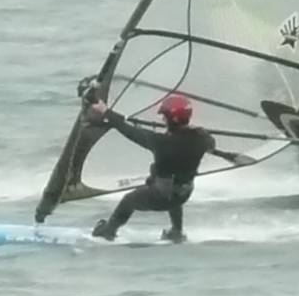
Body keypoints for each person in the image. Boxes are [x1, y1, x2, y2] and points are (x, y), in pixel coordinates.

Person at [82, 92, 225, 242]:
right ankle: (177, 231)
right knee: (175, 186)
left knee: (129, 200)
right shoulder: (202, 138)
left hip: (161, 197)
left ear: (171, 119)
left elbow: (128, 131)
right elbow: (210, 145)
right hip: (184, 194)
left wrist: (106, 112)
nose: (163, 119)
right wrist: (194, 130)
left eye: (164, 117)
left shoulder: (161, 142)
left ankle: (108, 231)